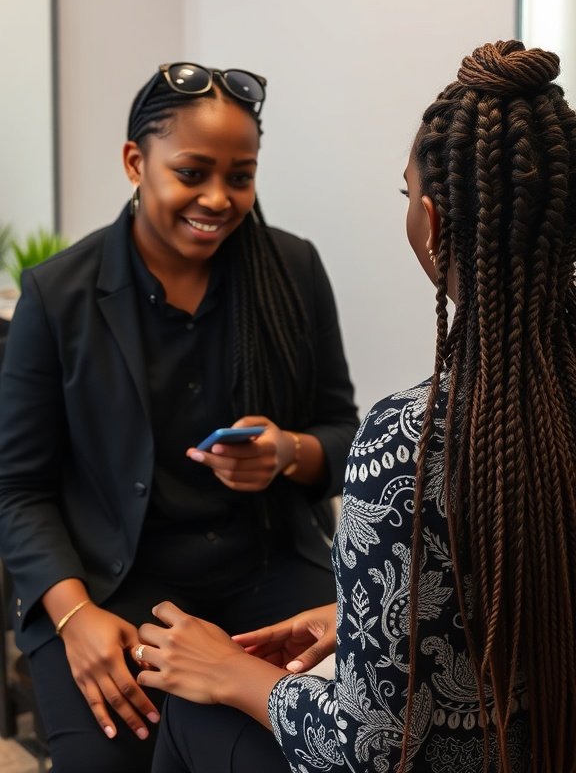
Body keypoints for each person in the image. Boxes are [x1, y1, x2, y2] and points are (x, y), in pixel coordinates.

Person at [135, 41, 576, 773]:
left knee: (189, 709)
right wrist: (364, 618)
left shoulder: (409, 443)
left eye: (407, 198)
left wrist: (237, 677)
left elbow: (368, 751)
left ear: (431, 224)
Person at [0, 62, 358, 773]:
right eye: (192, 173)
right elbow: (19, 489)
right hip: (110, 586)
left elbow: (342, 434)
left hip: (268, 572)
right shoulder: (58, 295)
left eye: (241, 175)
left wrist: (288, 451)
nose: (219, 199)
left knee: (331, 746)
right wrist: (74, 620)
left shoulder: (294, 270)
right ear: (136, 162)